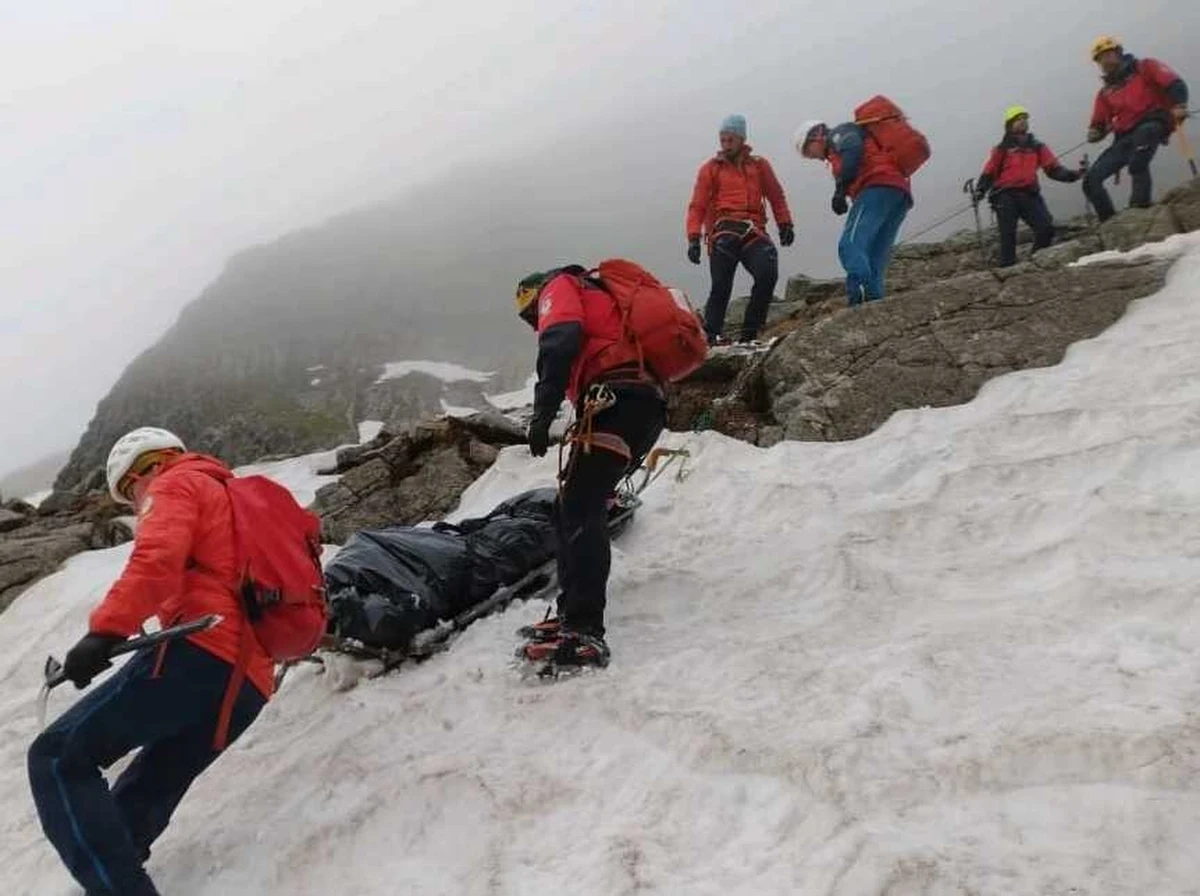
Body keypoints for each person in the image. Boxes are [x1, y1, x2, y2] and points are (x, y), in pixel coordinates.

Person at [27, 427, 272, 896]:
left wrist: (104, 633)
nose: (137, 504)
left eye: (130, 494)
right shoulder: (234, 497)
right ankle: (120, 871)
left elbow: (157, 559)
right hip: (249, 683)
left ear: (144, 468)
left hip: (201, 652)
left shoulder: (176, 482)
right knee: (154, 781)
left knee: (57, 756)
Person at [514, 268, 667, 668]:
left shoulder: (559, 286)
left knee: (581, 507)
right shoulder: (597, 295)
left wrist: (542, 412)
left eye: (531, 315)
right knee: (575, 505)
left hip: (615, 398)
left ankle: (583, 631)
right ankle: (571, 616)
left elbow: (560, 339)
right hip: (640, 402)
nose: (535, 323)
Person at [686, 114, 794, 345]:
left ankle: (750, 335)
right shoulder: (710, 169)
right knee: (721, 285)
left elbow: (776, 196)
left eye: (730, 140)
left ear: (741, 139)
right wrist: (693, 238)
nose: (725, 145)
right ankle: (712, 334)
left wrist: (785, 223)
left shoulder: (759, 165)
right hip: (723, 231)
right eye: (722, 140)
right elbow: (698, 205)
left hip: (753, 231)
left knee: (767, 273)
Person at [796, 117, 912, 306]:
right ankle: (875, 303)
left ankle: (856, 298)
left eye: (807, 151)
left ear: (816, 136)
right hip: (899, 193)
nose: (811, 157)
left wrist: (840, 190)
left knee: (849, 244)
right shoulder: (839, 146)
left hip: (877, 186)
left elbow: (852, 149)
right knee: (874, 254)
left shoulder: (838, 134)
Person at [1083, 36, 1189, 221]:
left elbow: (1173, 83)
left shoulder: (1145, 67)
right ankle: (1109, 222)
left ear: (1118, 52)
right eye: (1100, 59)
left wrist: (1179, 104)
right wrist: (1095, 132)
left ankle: (1139, 208)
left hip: (1153, 122)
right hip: (1125, 136)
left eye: (1108, 54)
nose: (1105, 61)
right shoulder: (1106, 92)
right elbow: (1098, 123)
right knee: (1091, 180)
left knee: (1138, 161)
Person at [973, 106, 1083, 267]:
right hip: (1005, 195)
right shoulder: (1002, 149)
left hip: (1029, 193)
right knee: (1008, 234)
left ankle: (1035, 261)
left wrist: (1074, 175)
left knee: (1045, 228)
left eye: (1025, 118)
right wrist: (980, 190)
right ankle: (1007, 267)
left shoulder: (1037, 146)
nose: (1023, 121)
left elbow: (1053, 169)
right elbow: (989, 171)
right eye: (1019, 119)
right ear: (1010, 124)